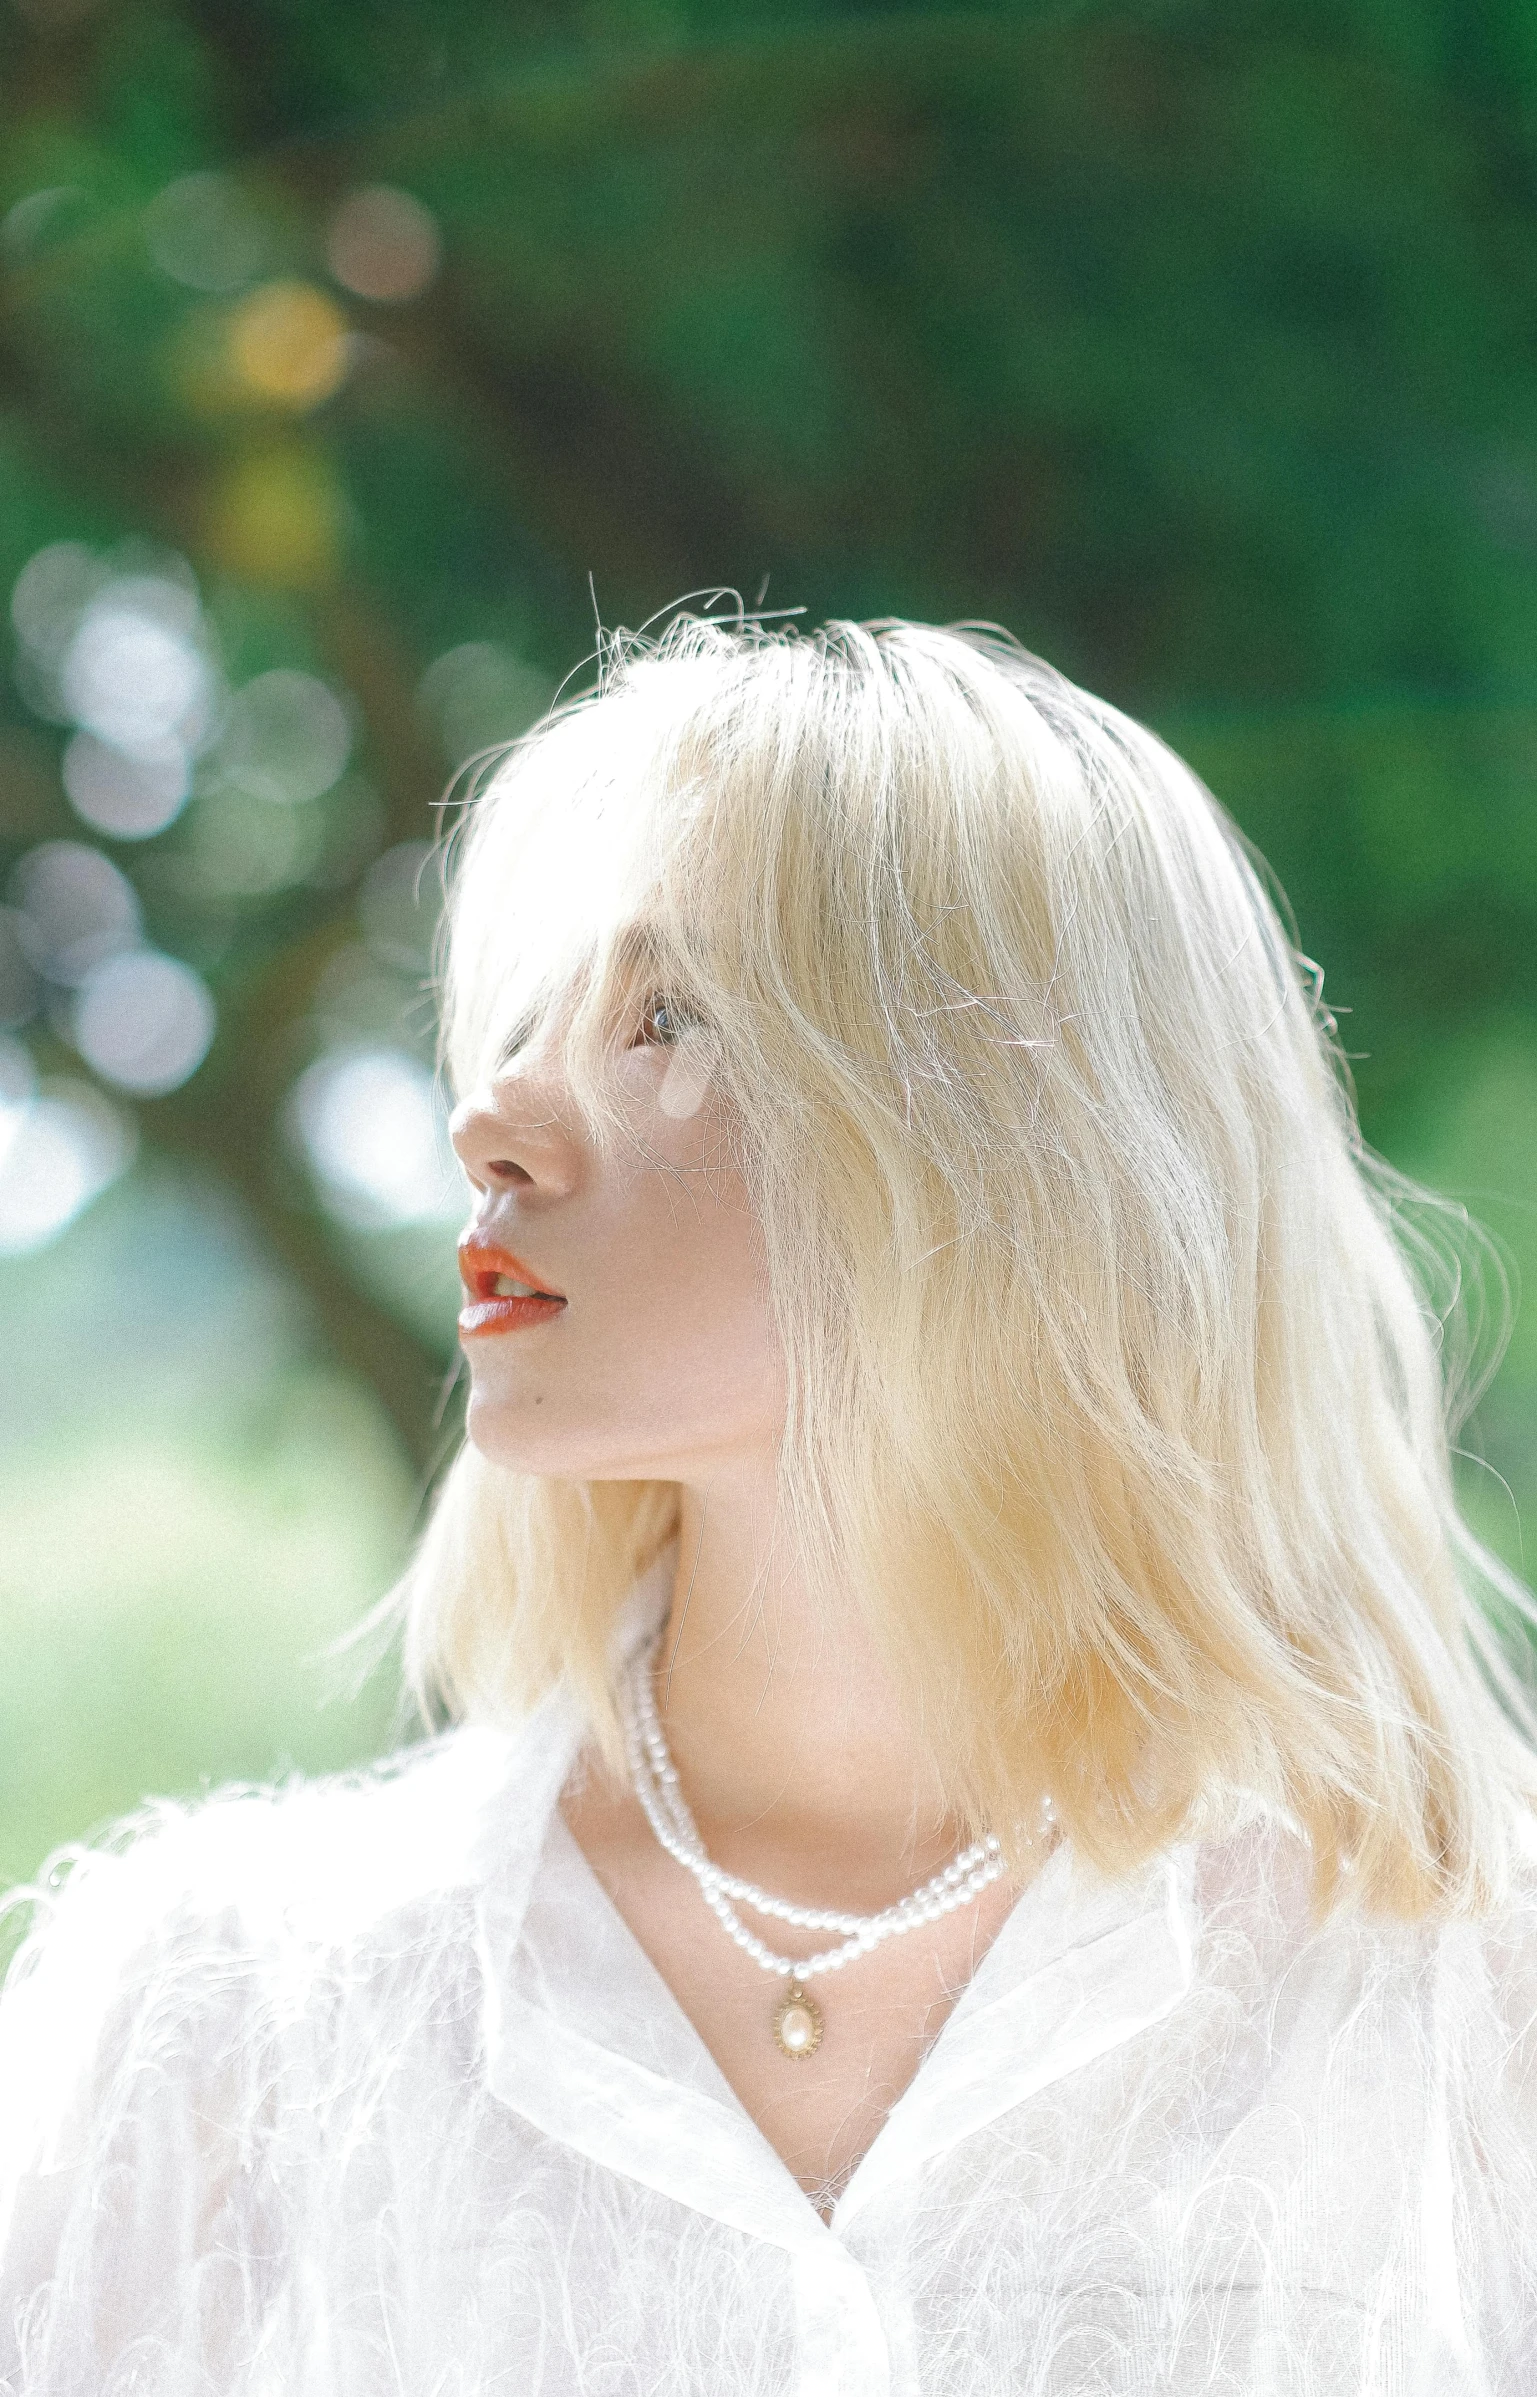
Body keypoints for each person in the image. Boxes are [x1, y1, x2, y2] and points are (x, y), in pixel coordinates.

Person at [3, 614, 1537, 2395]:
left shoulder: (1470, 1996)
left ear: (1017, 1143)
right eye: (523, 1017)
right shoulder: (220, 2022)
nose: (487, 1120)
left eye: (670, 1016)